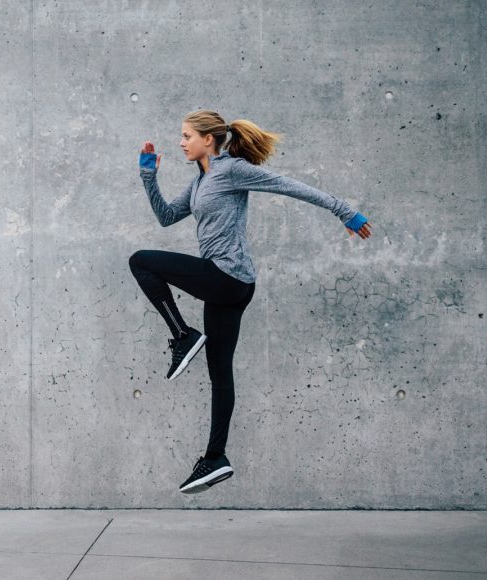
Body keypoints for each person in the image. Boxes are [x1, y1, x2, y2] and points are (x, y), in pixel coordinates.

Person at [129, 109, 373, 494]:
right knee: (219, 373)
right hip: (230, 284)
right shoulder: (200, 183)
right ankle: (215, 458)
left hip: (226, 277)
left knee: (140, 261)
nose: (181, 142)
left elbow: (288, 185)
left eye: (186, 136)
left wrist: (345, 211)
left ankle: (183, 336)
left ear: (208, 139)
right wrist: (148, 175)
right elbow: (165, 217)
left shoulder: (231, 171)